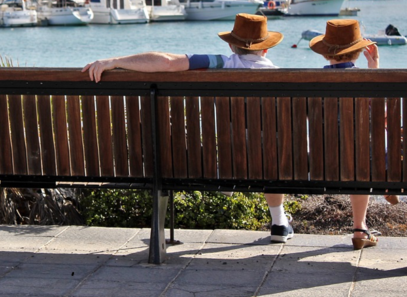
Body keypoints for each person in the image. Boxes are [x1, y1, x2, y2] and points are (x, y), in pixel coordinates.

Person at [82, 13, 295, 243]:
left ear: (232, 46)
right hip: (272, 164)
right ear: (266, 50)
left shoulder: (221, 64)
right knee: (270, 147)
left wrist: (114, 61)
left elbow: (166, 62)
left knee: (241, 142)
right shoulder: (282, 76)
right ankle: (279, 223)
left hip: (226, 159)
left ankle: (229, 175)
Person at [309, 19, 391, 250]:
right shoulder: (366, 81)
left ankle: (361, 226)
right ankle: (361, 223)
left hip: (322, 160)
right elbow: (382, 117)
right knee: (363, 153)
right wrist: (374, 69)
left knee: (355, 151)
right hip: (367, 160)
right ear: (358, 52)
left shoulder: (312, 82)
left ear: (326, 54)